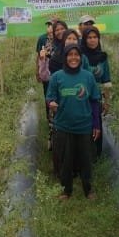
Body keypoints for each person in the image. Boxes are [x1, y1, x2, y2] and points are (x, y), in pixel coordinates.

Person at [46, 44, 101, 200]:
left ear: (81, 57)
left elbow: (95, 101)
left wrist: (96, 124)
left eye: (76, 55)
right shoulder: (57, 77)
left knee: (86, 159)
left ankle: (88, 189)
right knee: (65, 160)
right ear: (65, 58)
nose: (73, 58)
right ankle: (66, 189)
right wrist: (51, 103)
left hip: (84, 126)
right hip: (63, 125)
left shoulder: (88, 77)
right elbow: (50, 96)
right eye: (70, 55)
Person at [80, 26, 112, 158]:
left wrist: (107, 102)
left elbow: (106, 80)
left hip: (96, 98)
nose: (92, 40)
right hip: (82, 97)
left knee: (96, 123)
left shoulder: (102, 57)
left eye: (95, 37)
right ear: (84, 39)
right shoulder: (80, 56)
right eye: (89, 38)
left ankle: (95, 155)